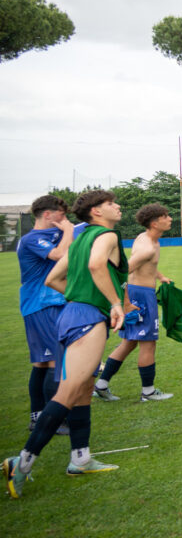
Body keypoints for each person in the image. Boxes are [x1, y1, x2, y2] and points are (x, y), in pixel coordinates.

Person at [4, 191, 130, 498]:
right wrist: (113, 303)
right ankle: (22, 462)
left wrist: (80, 299)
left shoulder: (80, 240)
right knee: (70, 391)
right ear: (97, 212)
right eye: (112, 203)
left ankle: (80, 458)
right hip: (86, 319)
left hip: (72, 315)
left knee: (83, 389)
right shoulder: (105, 235)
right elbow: (98, 266)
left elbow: (53, 280)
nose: (118, 206)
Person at [92, 204, 175, 402]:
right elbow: (124, 271)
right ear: (155, 223)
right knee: (148, 344)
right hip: (141, 296)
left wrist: (160, 276)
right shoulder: (147, 248)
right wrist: (126, 301)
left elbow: (146, 266)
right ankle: (148, 391)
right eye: (166, 216)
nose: (170, 219)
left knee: (128, 343)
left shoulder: (145, 238)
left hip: (141, 293)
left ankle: (101, 386)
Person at [17, 195, 74, 432]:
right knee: (53, 360)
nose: (65, 219)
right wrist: (69, 231)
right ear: (47, 214)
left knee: (41, 362)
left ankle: (37, 417)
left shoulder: (53, 235)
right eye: (61, 214)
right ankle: (53, 420)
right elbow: (59, 256)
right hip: (41, 304)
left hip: (47, 303)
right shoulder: (31, 239)